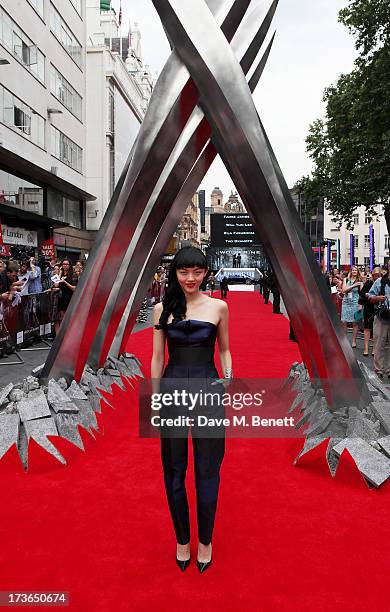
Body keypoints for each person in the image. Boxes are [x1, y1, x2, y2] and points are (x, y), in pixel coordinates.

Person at [152, 246, 232, 573]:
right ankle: (182, 538)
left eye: (197, 272)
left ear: (205, 273)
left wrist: (227, 378)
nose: (190, 278)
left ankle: (205, 541)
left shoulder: (219, 307)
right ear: (175, 273)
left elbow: (225, 350)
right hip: (172, 388)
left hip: (207, 389)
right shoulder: (162, 309)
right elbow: (157, 358)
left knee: (207, 470)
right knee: (173, 470)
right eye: (184, 272)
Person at [368, 260, 390, 378]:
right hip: (382, 317)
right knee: (378, 344)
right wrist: (377, 298)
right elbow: (370, 297)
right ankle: (378, 370)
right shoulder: (380, 281)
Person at [359, 267, 382, 357]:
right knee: (367, 328)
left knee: (376, 331)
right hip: (368, 307)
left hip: (378, 308)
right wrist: (369, 296)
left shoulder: (382, 282)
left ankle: (374, 349)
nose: (376, 277)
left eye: (378, 275)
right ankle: (366, 348)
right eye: (375, 275)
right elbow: (362, 293)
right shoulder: (369, 282)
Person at [341, 265, 364, 348]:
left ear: (358, 272)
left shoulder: (360, 281)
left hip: (355, 302)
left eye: (356, 270)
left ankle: (354, 340)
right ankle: (344, 340)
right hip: (346, 302)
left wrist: (361, 305)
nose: (354, 272)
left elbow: (362, 294)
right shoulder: (346, 279)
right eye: (353, 270)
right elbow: (344, 290)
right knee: (344, 321)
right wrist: (353, 285)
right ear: (351, 271)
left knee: (355, 322)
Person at [54, 259, 78, 334]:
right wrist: (60, 273)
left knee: (66, 318)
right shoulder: (60, 274)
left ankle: (67, 334)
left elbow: (74, 288)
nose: (65, 266)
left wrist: (65, 282)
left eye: (67, 264)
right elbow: (56, 284)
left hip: (69, 298)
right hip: (60, 298)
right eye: (63, 264)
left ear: (69, 265)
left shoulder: (73, 274)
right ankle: (60, 336)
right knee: (59, 318)